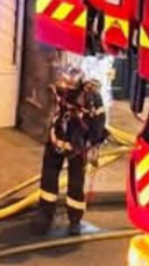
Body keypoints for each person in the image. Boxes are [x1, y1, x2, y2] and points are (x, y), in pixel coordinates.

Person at [33, 67, 108, 236]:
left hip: (77, 147)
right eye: (63, 90)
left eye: (69, 91)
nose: (65, 93)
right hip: (56, 141)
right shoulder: (59, 91)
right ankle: (45, 215)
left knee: (76, 182)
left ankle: (75, 219)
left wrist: (94, 143)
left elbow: (99, 121)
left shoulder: (91, 98)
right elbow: (52, 109)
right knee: (49, 178)